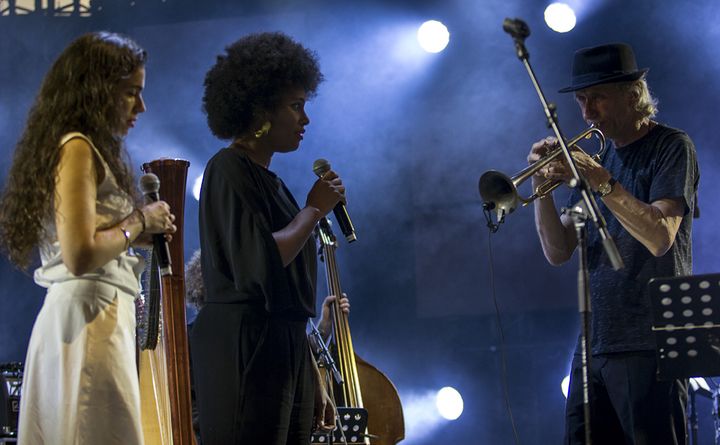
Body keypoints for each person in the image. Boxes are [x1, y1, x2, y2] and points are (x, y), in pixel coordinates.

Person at [0, 32, 176, 444]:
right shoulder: (77, 148)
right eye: (130, 93)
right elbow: (79, 254)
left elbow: (96, 239)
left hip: (94, 314)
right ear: (97, 90)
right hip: (88, 318)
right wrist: (139, 220)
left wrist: (138, 234)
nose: (141, 107)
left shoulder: (82, 148)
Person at [528, 43, 699, 444]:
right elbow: (558, 250)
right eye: (582, 100)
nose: (587, 112)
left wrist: (602, 182)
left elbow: (660, 237)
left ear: (631, 94)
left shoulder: (672, 147)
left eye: (598, 98)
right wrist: (541, 186)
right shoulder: (599, 159)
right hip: (594, 344)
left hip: (651, 342)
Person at [190, 32, 348, 444]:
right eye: (295, 106)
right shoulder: (227, 169)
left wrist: (310, 371)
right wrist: (314, 209)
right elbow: (258, 261)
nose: (305, 119)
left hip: (284, 346)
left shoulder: (273, 182)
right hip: (246, 346)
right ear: (261, 110)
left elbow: (290, 297)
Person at [184, 249, 350, 444]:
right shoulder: (192, 336)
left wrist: (324, 327)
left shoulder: (252, 327)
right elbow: (193, 404)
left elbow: (289, 356)